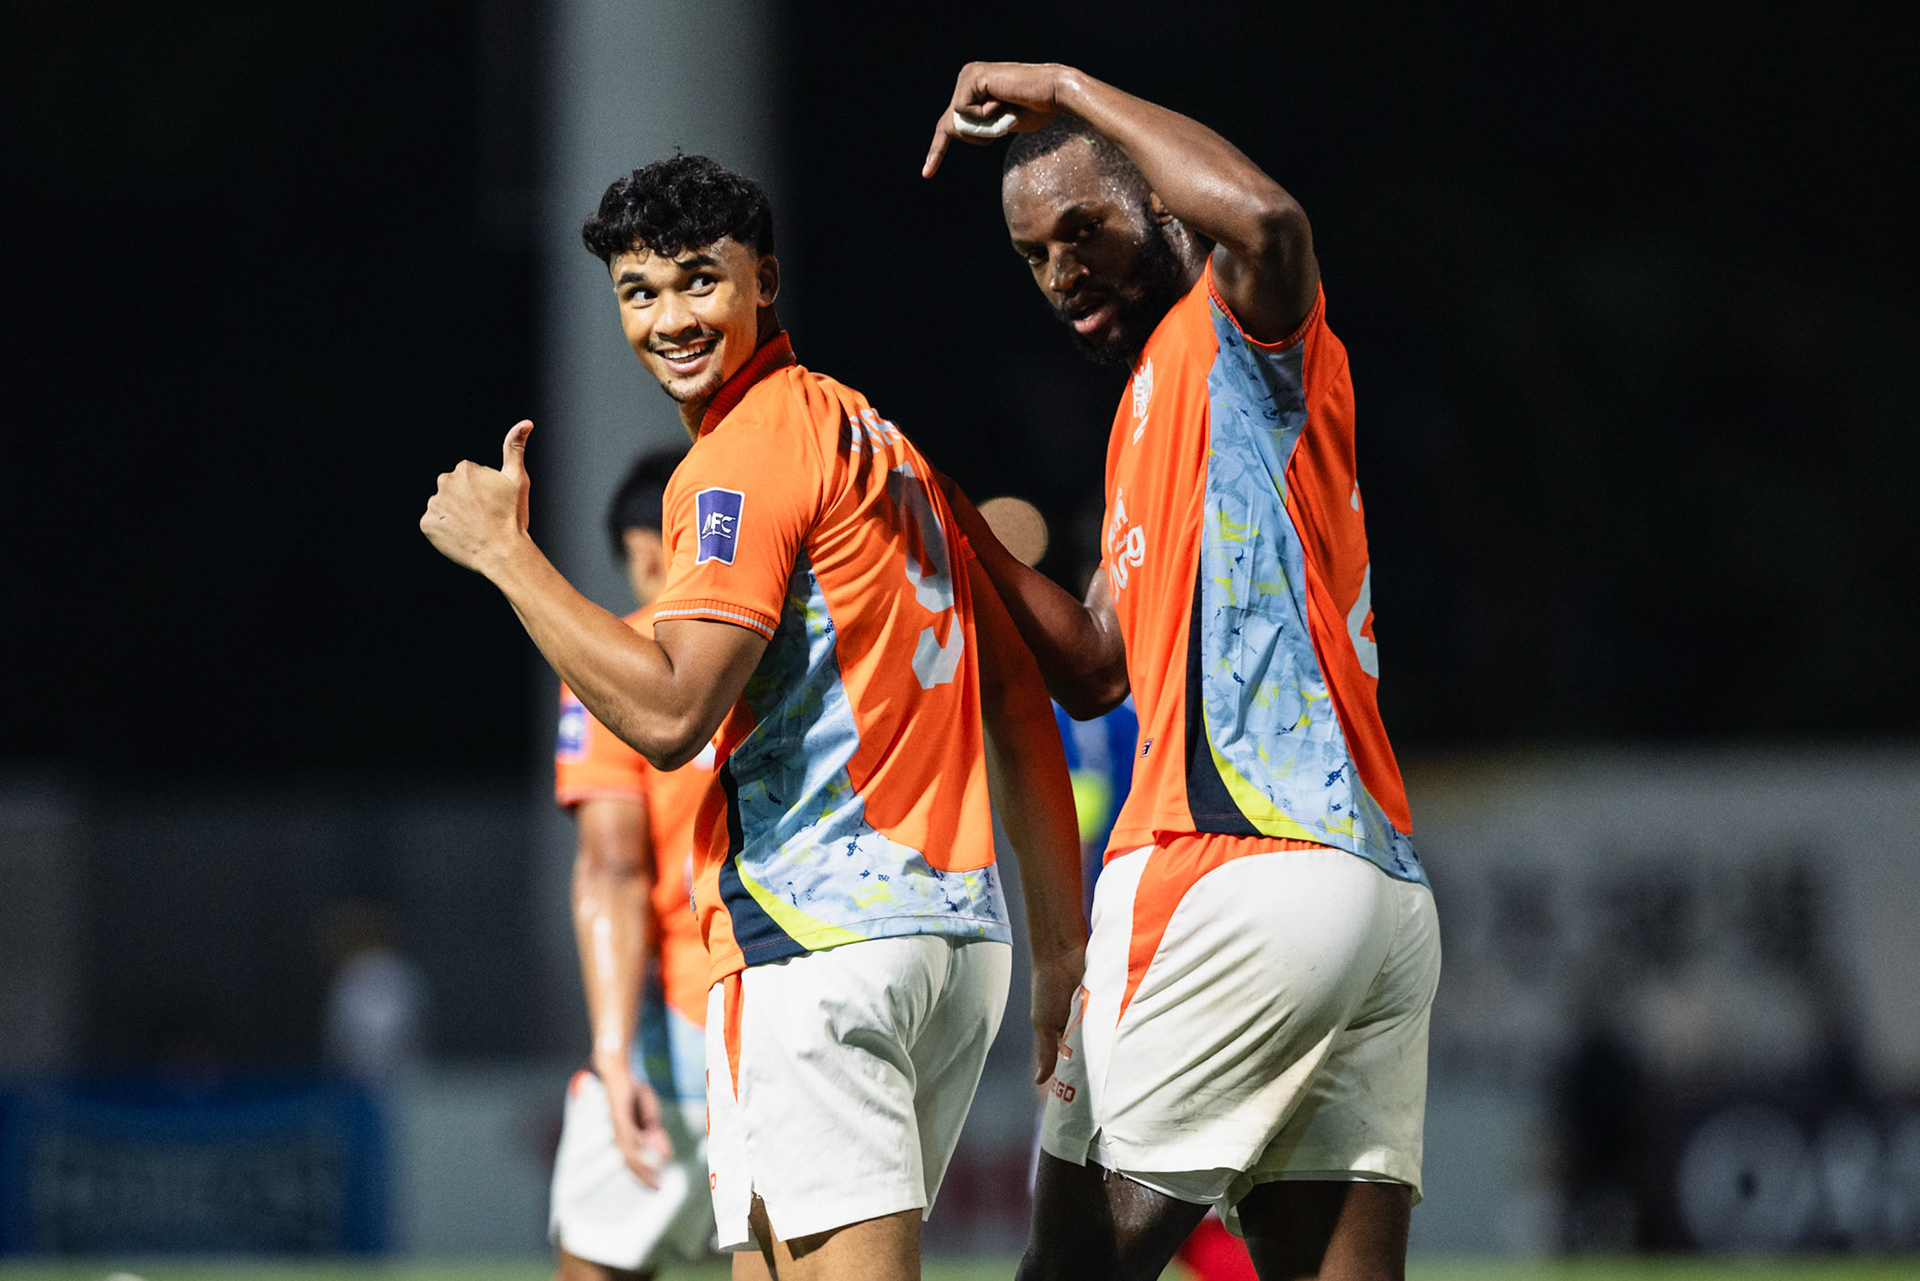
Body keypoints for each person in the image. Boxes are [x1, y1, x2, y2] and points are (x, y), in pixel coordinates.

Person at [420, 155, 1084, 1281]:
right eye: (641, 291)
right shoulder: (881, 440)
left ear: (763, 278)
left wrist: (505, 556)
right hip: (954, 938)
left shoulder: (737, 461)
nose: (671, 318)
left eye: (699, 281)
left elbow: (674, 712)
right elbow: (1018, 685)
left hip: (821, 937)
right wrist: (1060, 945)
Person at [925, 64, 1442, 1281]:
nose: (1061, 273)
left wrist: (1060, 87)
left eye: (1083, 230)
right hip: (1372, 896)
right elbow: (1099, 668)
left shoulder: (1239, 328)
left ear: (1162, 210)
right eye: (1034, 256)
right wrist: (944, 510)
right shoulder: (1150, 408)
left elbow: (1266, 219)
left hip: (1228, 870)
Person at [548, 448, 719, 1281]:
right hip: (804, 1008)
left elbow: (613, 869)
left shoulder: (616, 659)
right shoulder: (799, 646)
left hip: (682, 1031)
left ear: (646, 549)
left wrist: (613, 1053)